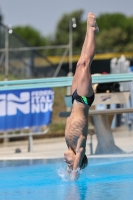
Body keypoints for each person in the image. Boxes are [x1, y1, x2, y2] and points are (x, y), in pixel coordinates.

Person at [64, 12, 99, 180]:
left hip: (74, 98)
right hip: (84, 99)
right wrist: (73, 173)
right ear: (76, 161)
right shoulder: (79, 147)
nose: (65, 160)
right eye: (68, 162)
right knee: (86, 63)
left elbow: (69, 160)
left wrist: (67, 170)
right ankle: (92, 29)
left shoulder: (68, 143)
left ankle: (88, 30)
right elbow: (78, 158)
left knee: (80, 63)